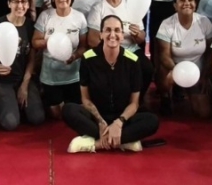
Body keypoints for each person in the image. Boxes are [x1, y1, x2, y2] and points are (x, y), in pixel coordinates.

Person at [64, 15, 160, 153]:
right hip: (96, 118)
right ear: (101, 34)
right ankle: (123, 142)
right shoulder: (88, 59)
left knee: (152, 121)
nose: (112, 35)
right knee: (69, 110)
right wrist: (101, 122)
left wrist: (119, 123)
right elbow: (85, 99)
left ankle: (95, 143)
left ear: (122, 35)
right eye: (108, 30)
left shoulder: (133, 61)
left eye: (117, 30)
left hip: (123, 118)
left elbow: (134, 104)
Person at [0, 0, 43, 130]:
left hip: (21, 79)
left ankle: (15, 103)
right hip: (0, 81)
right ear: (9, 4)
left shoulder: (30, 26)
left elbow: (32, 59)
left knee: (37, 117)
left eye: (24, 1)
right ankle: (0, 104)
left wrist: (24, 85)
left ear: (28, 5)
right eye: (16, 1)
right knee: (10, 123)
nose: (20, 5)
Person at [86, 0, 153, 95]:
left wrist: (137, 34)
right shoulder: (98, 8)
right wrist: (113, 50)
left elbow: (141, 38)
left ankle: (137, 100)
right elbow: (92, 40)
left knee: (147, 69)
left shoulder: (131, 3)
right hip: (107, 51)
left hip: (130, 50)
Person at [155, 0, 212, 117]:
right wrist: (180, 73)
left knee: (204, 113)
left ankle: (188, 91)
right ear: (175, 6)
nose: (187, 3)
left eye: (190, 0)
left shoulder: (204, 22)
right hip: (174, 68)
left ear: (195, 4)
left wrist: (205, 75)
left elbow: (211, 52)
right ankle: (166, 96)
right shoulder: (167, 24)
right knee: (164, 74)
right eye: (182, 0)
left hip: (197, 71)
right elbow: (164, 56)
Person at [33, 0, 89, 119]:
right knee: (57, 115)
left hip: (74, 75)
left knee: (73, 113)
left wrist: (74, 56)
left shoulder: (79, 18)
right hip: (50, 76)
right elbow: (35, 42)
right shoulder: (45, 16)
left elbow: (84, 47)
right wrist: (50, 42)